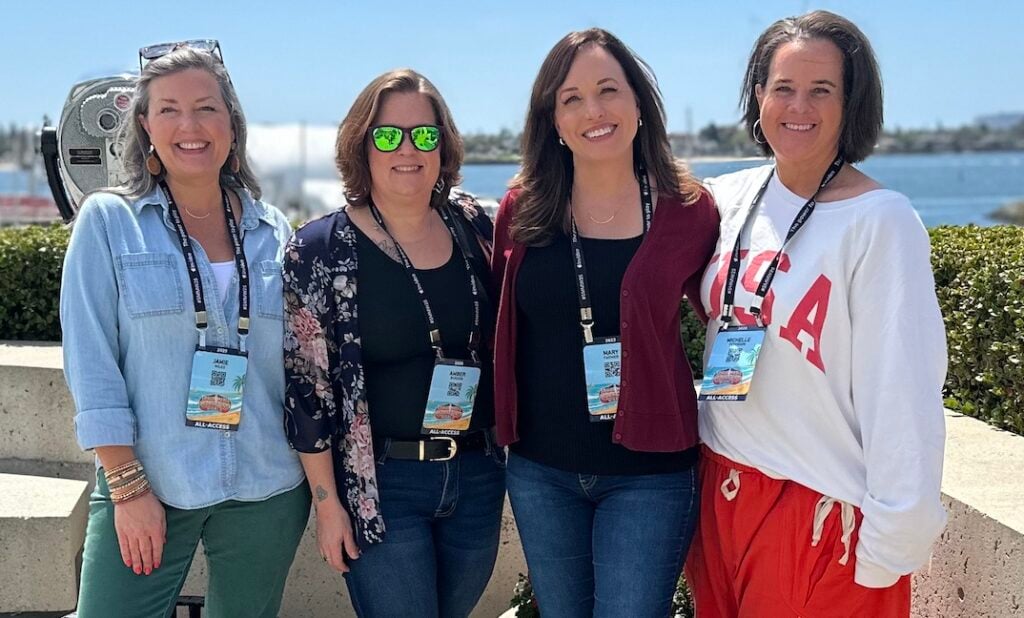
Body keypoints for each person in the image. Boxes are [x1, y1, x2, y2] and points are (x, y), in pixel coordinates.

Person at [684, 10, 948, 617]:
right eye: (783, 87)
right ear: (758, 96)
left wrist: (892, 541)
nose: (798, 106)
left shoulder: (882, 222)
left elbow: (903, 389)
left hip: (820, 509)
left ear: (850, 103)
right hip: (720, 488)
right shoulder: (728, 198)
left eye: (821, 90)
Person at [61, 42, 309, 617]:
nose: (189, 125)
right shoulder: (107, 222)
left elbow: (301, 363)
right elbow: (91, 364)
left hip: (266, 487)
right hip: (149, 482)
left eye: (206, 108)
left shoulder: (275, 231)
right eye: (169, 109)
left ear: (232, 124)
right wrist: (126, 487)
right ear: (145, 125)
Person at [491, 29, 719, 617]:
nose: (593, 110)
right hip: (542, 472)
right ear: (555, 120)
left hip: (651, 476)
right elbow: (495, 318)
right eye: (571, 98)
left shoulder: (690, 211)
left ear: (639, 103)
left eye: (608, 90)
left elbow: (729, 308)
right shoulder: (523, 210)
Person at [283, 69, 504, 618]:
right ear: (363, 144)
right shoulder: (319, 250)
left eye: (424, 135)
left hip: (476, 477)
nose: (408, 149)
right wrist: (328, 506)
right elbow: (306, 391)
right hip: (381, 486)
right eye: (388, 135)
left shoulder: (477, 227)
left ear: (443, 144)